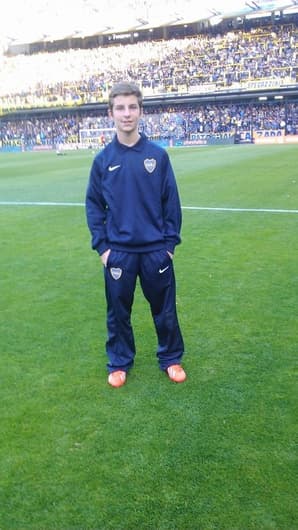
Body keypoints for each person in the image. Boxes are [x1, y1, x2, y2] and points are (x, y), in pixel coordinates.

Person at [85, 81, 186, 387]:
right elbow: (93, 206)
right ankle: (119, 361)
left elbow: (172, 203)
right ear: (111, 113)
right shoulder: (103, 160)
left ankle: (171, 358)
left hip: (156, 250)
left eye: (132, 107)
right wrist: (103, 248)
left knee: (165, 310)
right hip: (120, 253)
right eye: (120, 108)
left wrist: (169, 245)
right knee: (118, 313)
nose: (126, 114)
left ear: (141, 111)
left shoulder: (158, 155)